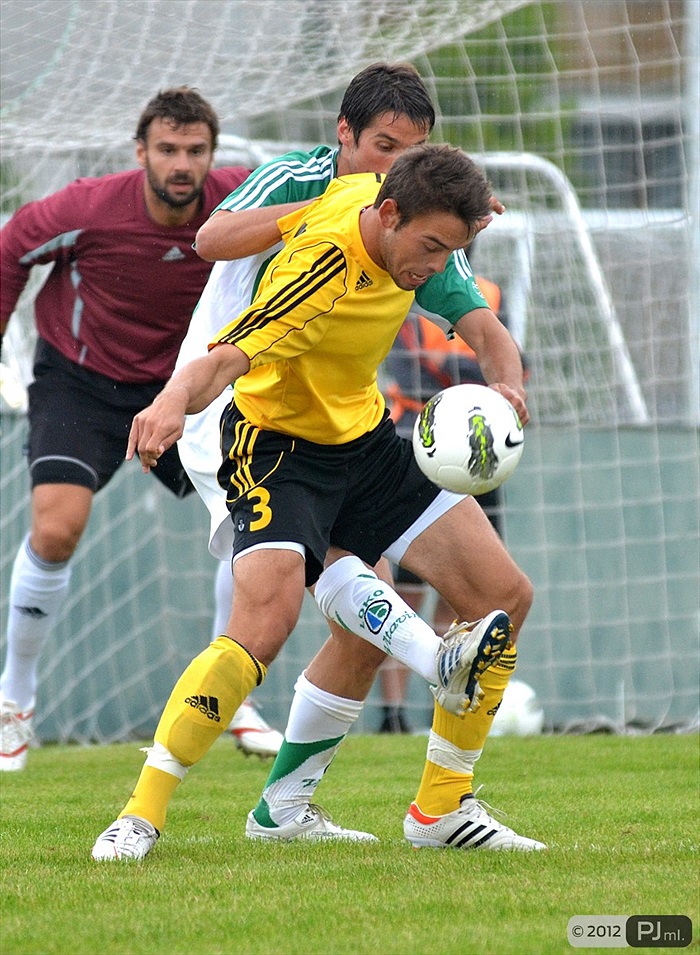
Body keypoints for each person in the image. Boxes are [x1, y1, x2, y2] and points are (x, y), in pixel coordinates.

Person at [91, 141, 545, 861]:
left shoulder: (411, 225)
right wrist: (170, 402)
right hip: (275, 450)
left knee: (503, 593)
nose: (433, 267)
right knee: (260, 626)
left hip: (364, 443)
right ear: (388, 213)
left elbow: (479, 314)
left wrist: (506, 389)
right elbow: (224, 359)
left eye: (450, 249)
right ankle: (140, 811)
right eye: (430, 246)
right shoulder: (323, 262)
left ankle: (438, 806)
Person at [0, 86, 280, 771]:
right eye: (167, 150)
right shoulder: (89, 207)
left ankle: (232, 698)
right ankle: (15, 699)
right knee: (57, 527)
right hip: (81, 382)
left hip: (187, 388)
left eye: (195, 150)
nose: (181, 164)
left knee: (254, 521)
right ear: (141, 152)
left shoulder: (239, 202)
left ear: (212, 154)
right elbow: (10, 249)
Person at [377, 242, 527, 732]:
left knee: (472, 589)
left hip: (478, 455)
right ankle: (393, 714)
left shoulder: (487, 295)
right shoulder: (404, 288)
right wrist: (468, 388)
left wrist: (494, 391)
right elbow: (408, 369)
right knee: (406, 591)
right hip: (415, 446)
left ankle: (444, 700)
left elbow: (512, 358)